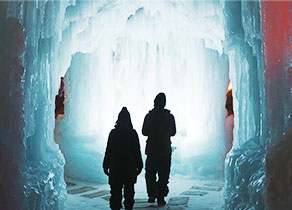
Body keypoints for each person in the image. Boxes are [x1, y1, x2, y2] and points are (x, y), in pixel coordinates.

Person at [103, 107, 143, 210]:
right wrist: (139, 165)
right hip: (129, 165)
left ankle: (115, 207)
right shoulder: (133, 133)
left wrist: (105, 164)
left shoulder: (113, 133)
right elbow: (136, 151)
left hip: (115, 164)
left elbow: (109, 150)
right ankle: (128, 207)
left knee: (115, 191)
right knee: (129, 191)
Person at [142, 93, 176, 206]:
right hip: (165, 150)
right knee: (163, 174)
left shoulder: (149, 116)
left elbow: (144, 132)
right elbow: (173, 132)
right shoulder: (170, 117)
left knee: (150, 173)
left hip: (152, 149)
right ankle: (161, 197)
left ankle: (151, 194)